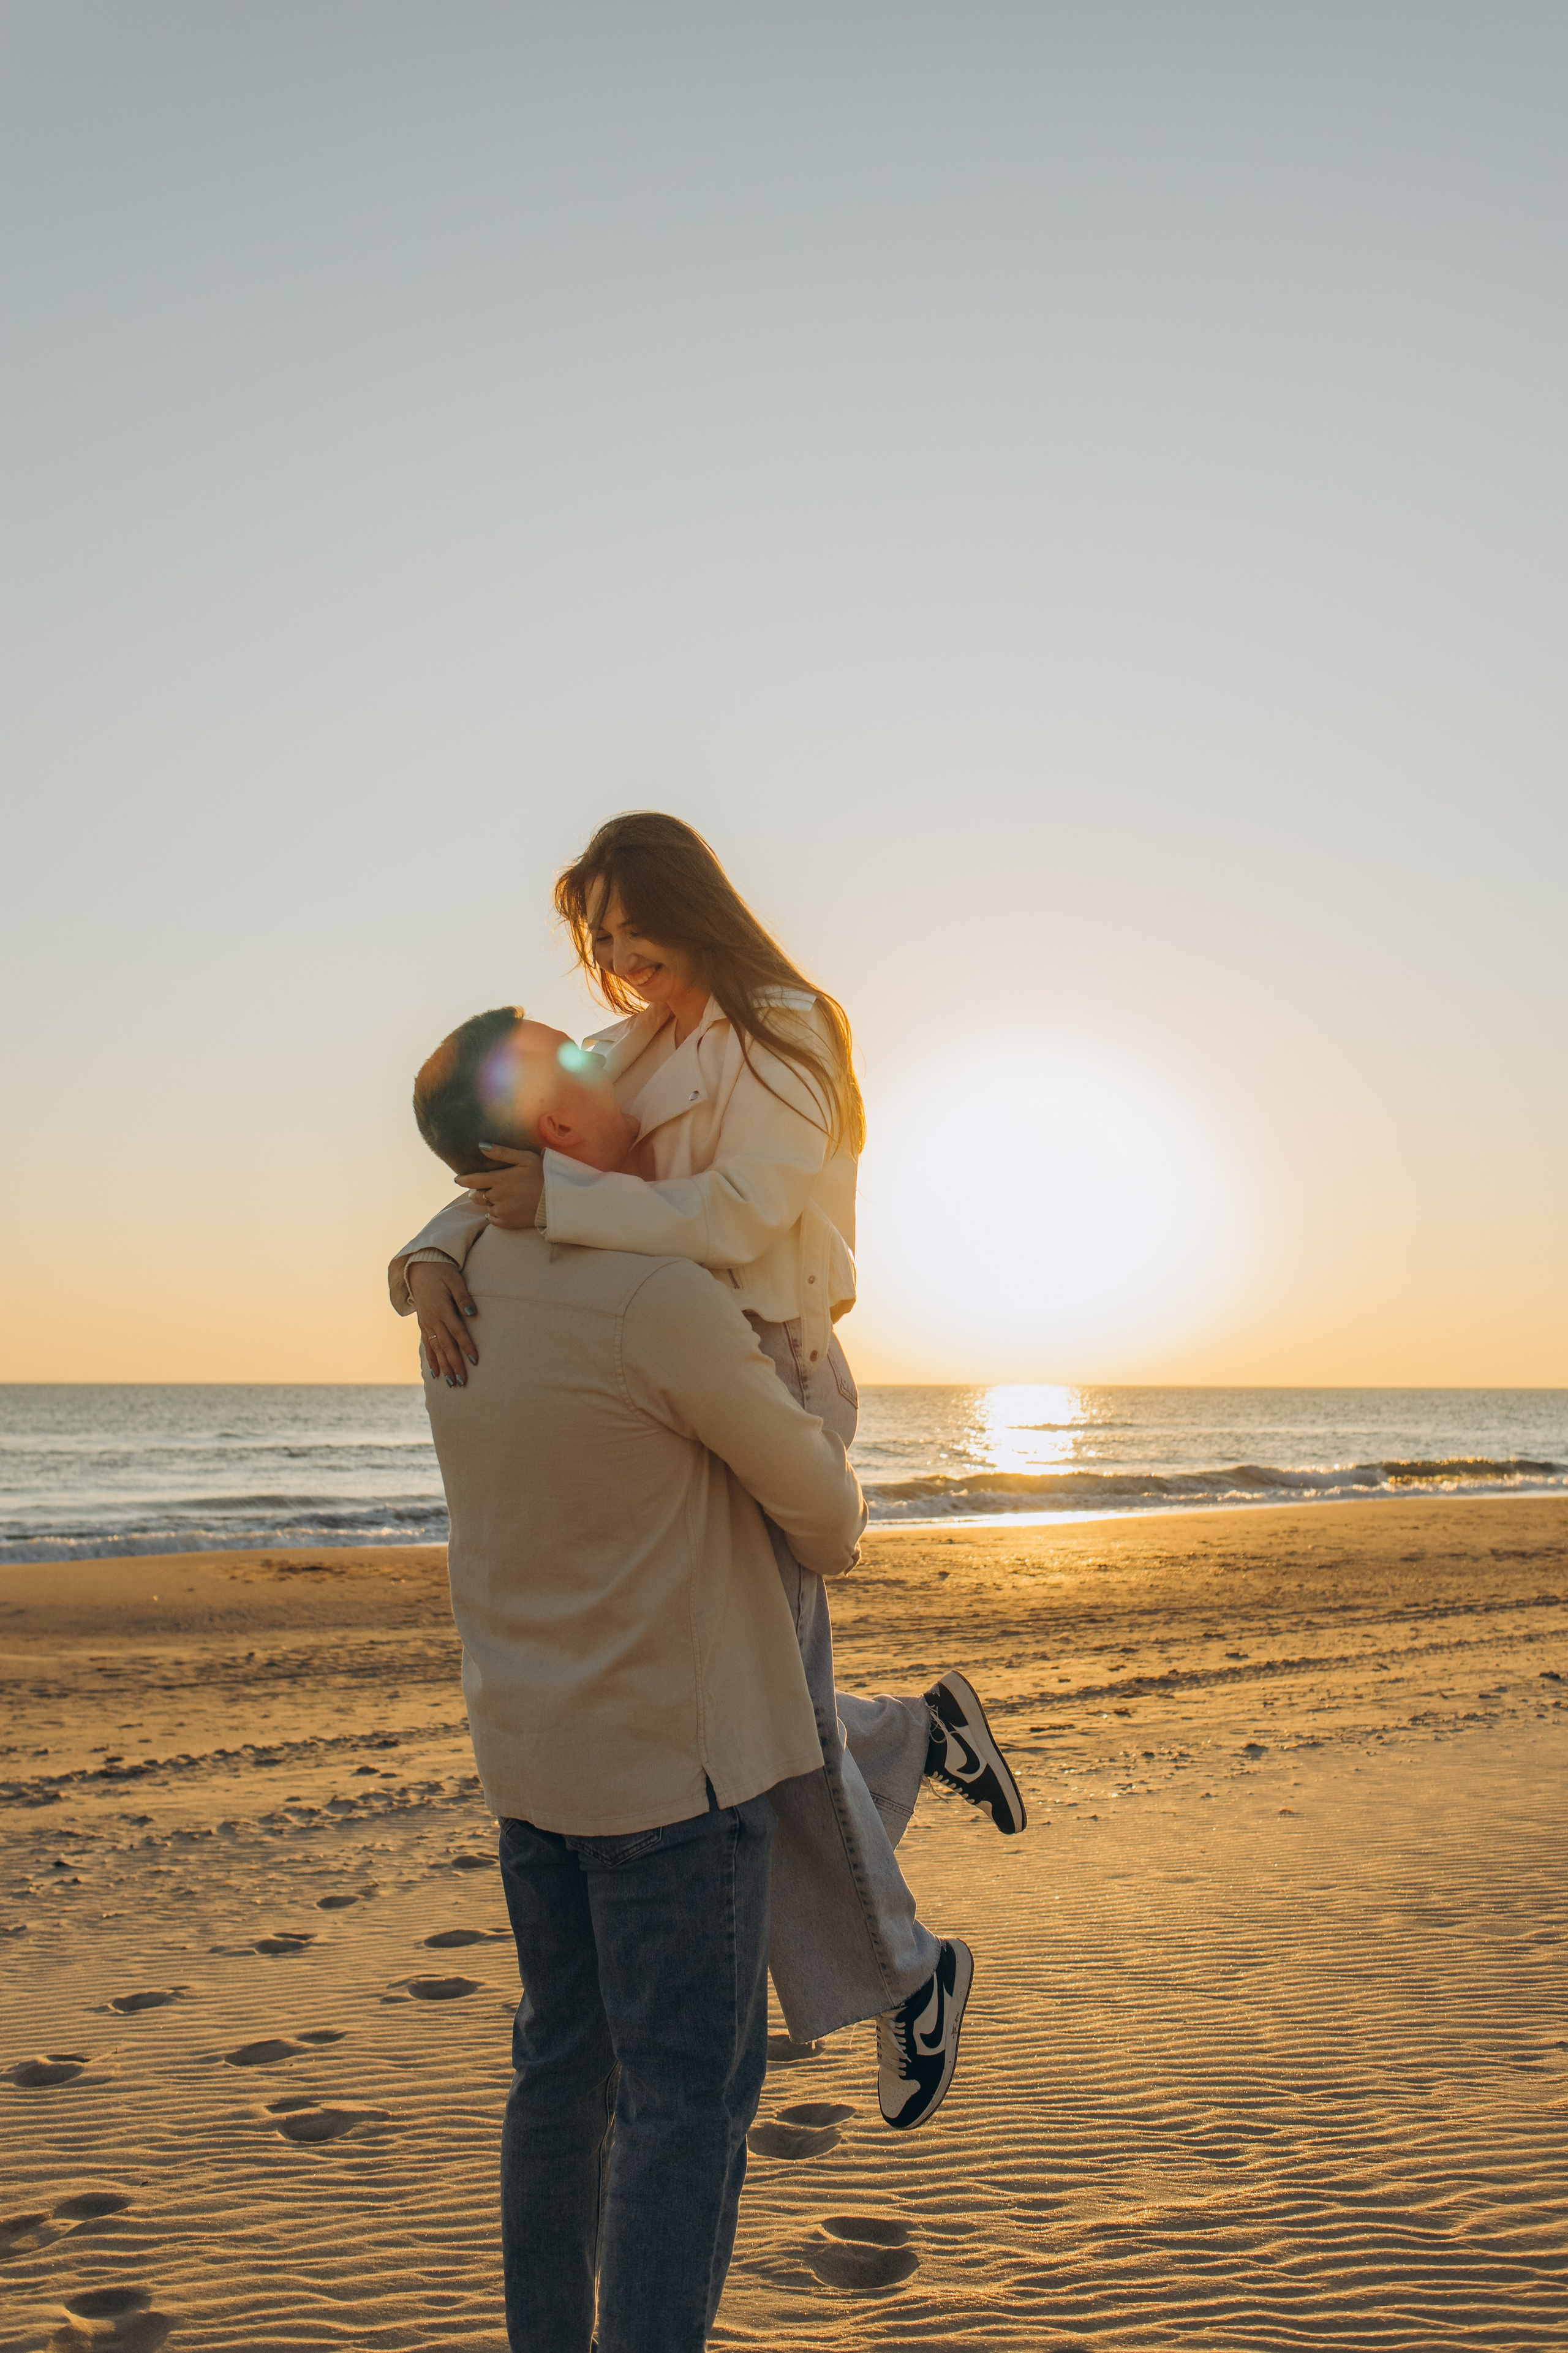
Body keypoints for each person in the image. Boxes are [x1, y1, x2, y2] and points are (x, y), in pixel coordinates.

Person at [392, 815, 1025, 2126]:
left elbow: (739, 1209)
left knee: (774, 1723)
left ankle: (913, 1969)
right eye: (598, 940)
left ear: (690, 902)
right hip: (661, 1376)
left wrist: (559, 1215)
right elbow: (512, 1155)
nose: (618, 962)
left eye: (630, 926)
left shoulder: (790, 1029)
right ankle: (919, 1743)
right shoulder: (631, 1043)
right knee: (761, 1701)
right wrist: (431, 1253)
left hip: (765, 1370)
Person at [414, 1010, 873, 2353]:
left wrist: (430, 1240)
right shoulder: (656, 1295)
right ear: (557, 1131)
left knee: (559, 2075)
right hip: (669, 1777)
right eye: (585, 1059)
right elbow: (825, 1521)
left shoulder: (459, 1279)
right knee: (684, 2102)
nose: (620, 1063)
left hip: (531, 1760)